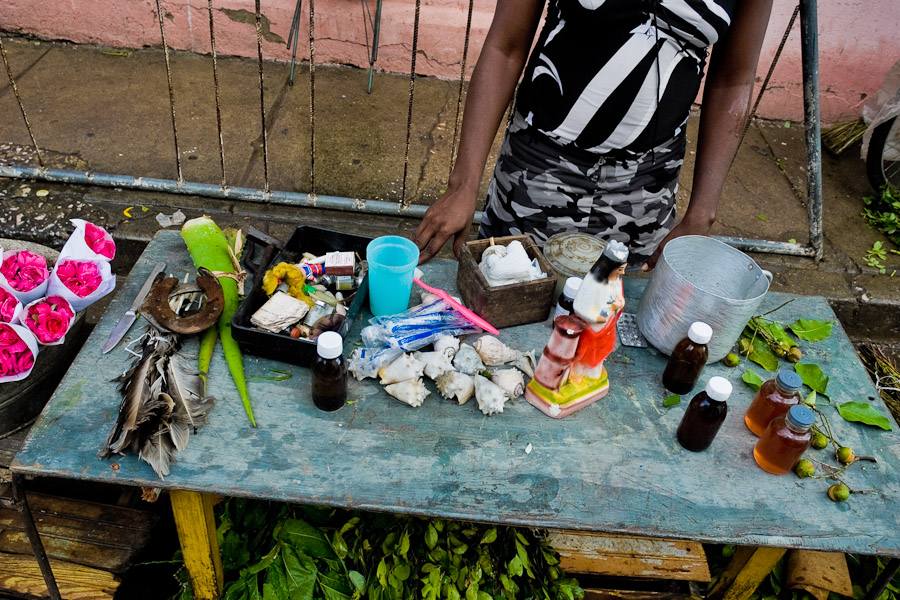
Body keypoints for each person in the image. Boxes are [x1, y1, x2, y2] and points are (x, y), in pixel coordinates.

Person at [411, 0, 774, 270]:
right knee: (509, 301)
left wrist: (701, 215)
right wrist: (463, 185)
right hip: (538, 170)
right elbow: (505, 45)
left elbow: (733, 80)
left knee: (608, 334)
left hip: (645, 188)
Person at [569, 239, 627, 382]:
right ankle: (578, 375)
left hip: (606, 328)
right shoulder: (593, 282)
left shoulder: (616, 279)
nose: (623, 272)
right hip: (591, 329)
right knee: (584, 356)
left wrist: (619, 304)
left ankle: (592, 374)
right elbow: (580, 306)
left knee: (601, 353)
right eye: (620, 269)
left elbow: (618, 298)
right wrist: (608, 309)